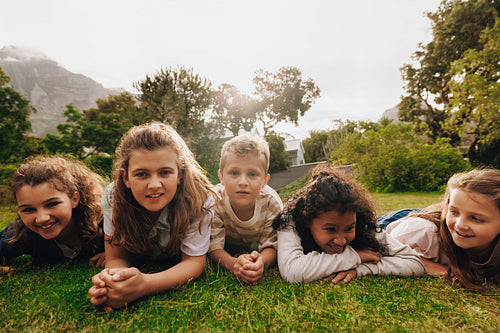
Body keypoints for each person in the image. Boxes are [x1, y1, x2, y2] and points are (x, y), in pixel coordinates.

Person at [88, 122, 216, 310]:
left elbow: (193, 262)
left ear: (179, 174)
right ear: (125, 178)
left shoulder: (199, 198)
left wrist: (144, 285)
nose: (154, 184)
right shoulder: (113, 196)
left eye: (165, 172)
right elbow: (116, 257)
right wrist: (115, 281)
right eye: (142, 174)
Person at [273, 163, 425, 283]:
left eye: (349, 228)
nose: (340, 240)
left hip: (393, 219)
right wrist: (355, 257)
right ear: (307, 220)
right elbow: (292, 272)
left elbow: (414, 263)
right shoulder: (291, 217)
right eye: (330, 229)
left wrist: (361, 269)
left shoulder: (362, 223)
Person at [384, 169, 500, 290]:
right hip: (393, 223)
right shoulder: (424, 231)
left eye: (475, 218)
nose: (460, 225)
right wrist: (426, 265)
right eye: (454, 212)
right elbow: (382, 249)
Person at [0, 156, 105, 271]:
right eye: (28, 209)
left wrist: (116, 254)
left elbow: (127, 246)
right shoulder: (21, 233)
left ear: (74, 199)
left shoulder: (103, 223)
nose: (42, 218)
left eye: (52, 204)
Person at [208, 134, 283, 285]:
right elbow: (213, 248)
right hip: (229, 247)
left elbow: (272, 245)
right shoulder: (214, 201)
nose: (243, 182)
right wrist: (233, 263)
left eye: (252, 174)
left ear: (264, 180)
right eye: (234, 173)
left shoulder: (271, 202)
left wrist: (260, 262)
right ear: (221, 177)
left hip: (256, 248)